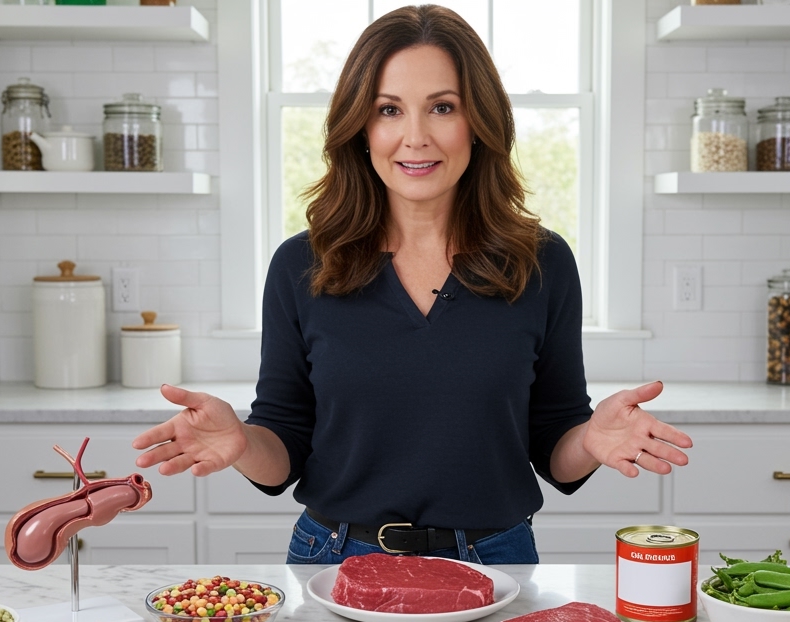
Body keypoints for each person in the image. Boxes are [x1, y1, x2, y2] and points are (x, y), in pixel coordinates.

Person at [133, 4, 691, 565]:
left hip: (497, 560)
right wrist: (242, 444)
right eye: (389, 110)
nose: (415, 137)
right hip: (335, 558)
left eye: (442, 107)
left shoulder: (540, 261)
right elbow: (284, 446)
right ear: (361, 127)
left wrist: (591, 439)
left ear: (478, 122)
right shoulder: (301, 265)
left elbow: (553, 444)